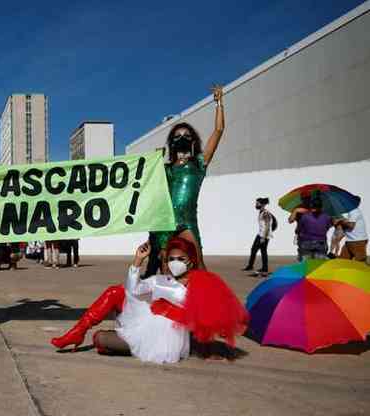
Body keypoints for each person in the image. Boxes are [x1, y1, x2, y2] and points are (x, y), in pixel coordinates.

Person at [50, 238, 247, 364]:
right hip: (143, 319)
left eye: (180, 258)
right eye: (171, 259)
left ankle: (107, 339)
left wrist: (207, 346)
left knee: (100, 339)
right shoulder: (160, 280)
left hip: (163, 339)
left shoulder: (201, 284)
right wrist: (137, 261)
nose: (175, 263)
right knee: (115, 291)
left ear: (191, 261)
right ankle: (77, 332)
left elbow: (212, 317)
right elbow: (133, 289)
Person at [151, 85, 225, 271]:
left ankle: (204, 299)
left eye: (186, 135)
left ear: (193, 140)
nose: (182, 137)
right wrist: (155, 161)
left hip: (188, 221)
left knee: (198, 265)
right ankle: (167, 299)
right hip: (165, 223)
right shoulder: (165, 168)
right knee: (166, 268)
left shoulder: (199, 163)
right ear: (172, 142)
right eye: (177, 136)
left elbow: (218, 130)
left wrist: (219, 103)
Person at [289, 195, 334, 261]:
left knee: (305, 265)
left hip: (306, 242)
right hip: (321, 242)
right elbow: (327, 227)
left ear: (311, 204)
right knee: (319, 265)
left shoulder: (305, 216)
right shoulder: (326, 216)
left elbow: (299, 228)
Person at [243, 197, 274, 277]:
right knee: (260, 250)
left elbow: (267, 225)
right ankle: (263, 267)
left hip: (263, 235)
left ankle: (259, 267)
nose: (256, 205)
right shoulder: (261, 212)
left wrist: (264, 237)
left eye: (257, 203)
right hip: (261, 234)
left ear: (262, 204)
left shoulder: (265, 213)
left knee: (259, 250)